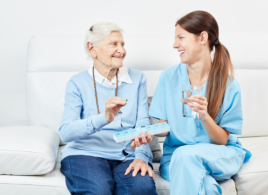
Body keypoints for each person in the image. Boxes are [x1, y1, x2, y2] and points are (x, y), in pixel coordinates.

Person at [148, 11, 252, 195]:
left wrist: (205, 117)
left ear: (202, 37)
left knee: (185, 156)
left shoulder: (228, 85)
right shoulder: (168, 77)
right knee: (205, 185)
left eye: (181, 37)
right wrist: (146, 131)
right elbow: (164, 127)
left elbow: (222, 140)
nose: (175, 44)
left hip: (218, 153)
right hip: (174, 157)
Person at [58, 22, 157, 195]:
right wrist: (104, 117)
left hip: (128, 155)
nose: (121, 50)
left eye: (122, 44)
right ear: (92, 49)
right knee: (98, 191)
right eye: (113, 44)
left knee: (142, 188)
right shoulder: (77, 83)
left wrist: (141, 157)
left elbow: (142, 123)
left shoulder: (138, 79)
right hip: (85, 153)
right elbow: (65, 132)